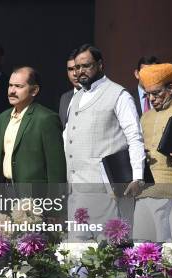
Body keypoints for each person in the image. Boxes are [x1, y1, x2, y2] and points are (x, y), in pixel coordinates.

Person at [65, 44, 145, 236]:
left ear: (100, 65)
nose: (80, 72)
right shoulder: (75, 98)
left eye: (86, 65)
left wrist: (137, 177)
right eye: (76, 67)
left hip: (106, 191)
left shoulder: (119, 94)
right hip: (76, 190)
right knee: (75, 254)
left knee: (106, 254)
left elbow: (135, 137)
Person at [133, 63, 172, 242]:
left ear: (171, 88)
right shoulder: (145, 117)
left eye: (156, 93)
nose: (151, 99)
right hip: (148, 193)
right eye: (148, 94)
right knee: (143, 248)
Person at [0, 67, 66, 184]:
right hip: (4, 191)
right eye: (10, 85)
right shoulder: (2, 118)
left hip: (33, 196)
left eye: (18, 86)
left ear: (34, 90)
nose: (12, 91)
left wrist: (54, 201)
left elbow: (56, 169)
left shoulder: (46, 119)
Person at [59, 49, 81, 126]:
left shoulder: (100, 95)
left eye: (77, 68)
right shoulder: (65, 98)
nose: (74, 73)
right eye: (71, 69)